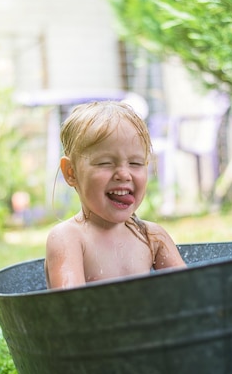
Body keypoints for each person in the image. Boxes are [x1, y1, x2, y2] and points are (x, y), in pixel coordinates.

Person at [45, 101, 187, 289]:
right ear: (71, 172)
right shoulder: (69, 238)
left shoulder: (152, 237)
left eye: (135, 163)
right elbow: (71, 308)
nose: (124, 174)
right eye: (105, 163)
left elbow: (189, 295)